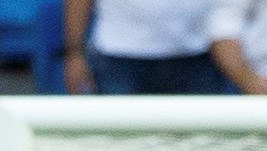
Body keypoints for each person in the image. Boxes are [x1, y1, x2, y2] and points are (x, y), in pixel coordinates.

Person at [63, 0, 226, 95]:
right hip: (119, 57)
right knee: (120, 144)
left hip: (197, 54)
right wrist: (74, 53)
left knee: (198, 145)